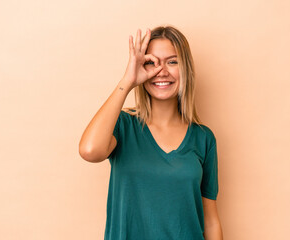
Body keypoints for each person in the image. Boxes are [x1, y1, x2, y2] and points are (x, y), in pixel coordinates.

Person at [79, 25, 223, 240]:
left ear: (186, 69)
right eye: (151, 63)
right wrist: (127, 81)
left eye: (172, 62)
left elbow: (210, 220)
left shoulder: (203, 138)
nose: (162, 71)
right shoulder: (122, 126)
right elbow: (90, 151)